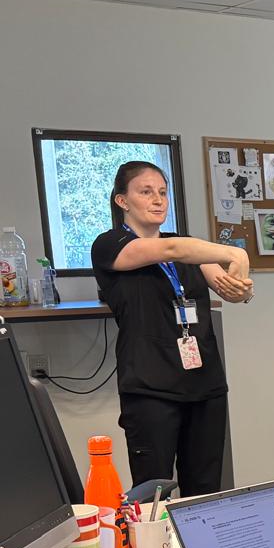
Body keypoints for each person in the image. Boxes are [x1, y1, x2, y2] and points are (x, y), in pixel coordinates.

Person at [91, 160, 255, 497]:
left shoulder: (189, 249)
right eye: (146, 192)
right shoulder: (110, 244)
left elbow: (229, 288)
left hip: (204, 384)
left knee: (205, 491)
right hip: (151, 388)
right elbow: (172, 249)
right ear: (122, 201)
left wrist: (241, 288)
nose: (158, 200)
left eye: (163, 192)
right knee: (154, 494)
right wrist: (236, 253)